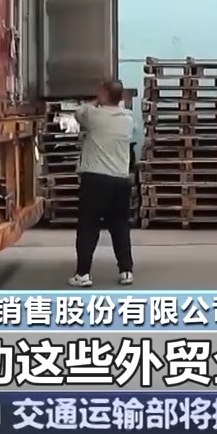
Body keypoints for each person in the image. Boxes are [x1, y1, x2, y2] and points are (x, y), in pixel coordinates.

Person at [69, 79, 136, 287]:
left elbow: (78, 112)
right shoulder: (128, 119)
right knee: (120, 226)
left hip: (96, 180)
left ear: (104, 94)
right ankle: (126, 270)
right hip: (121, 181)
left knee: (89, 226)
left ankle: (83, 274)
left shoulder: (93, 115)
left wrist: (96, 101)